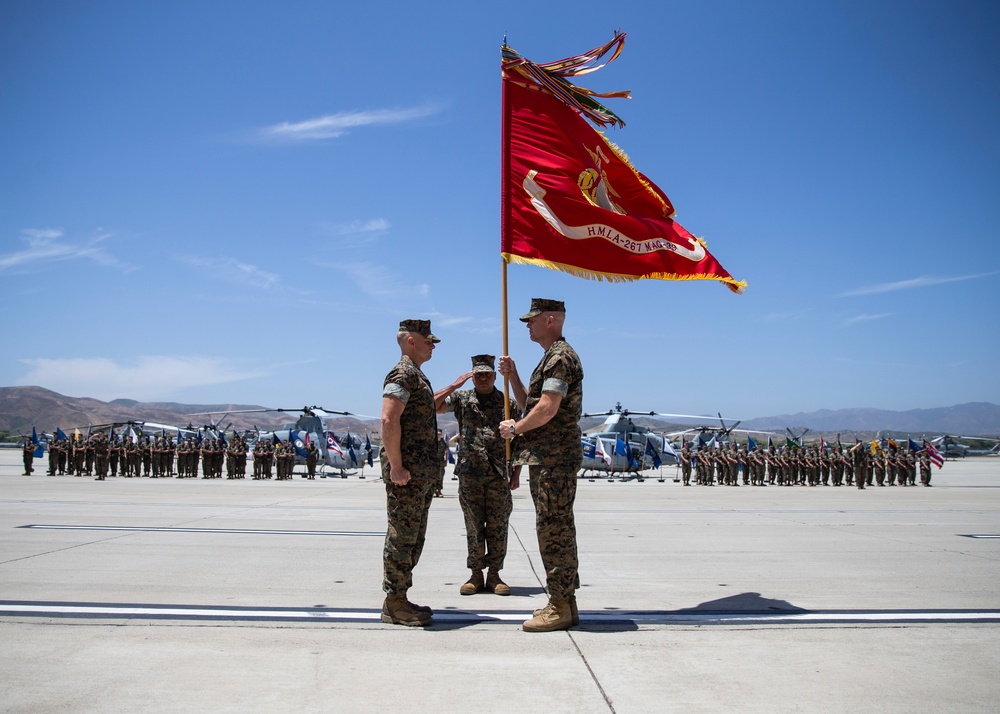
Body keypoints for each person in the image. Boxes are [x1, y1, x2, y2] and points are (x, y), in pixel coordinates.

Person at [499, 298, 584, 633]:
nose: (527, 325)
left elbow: (547, 409)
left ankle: (560, 605)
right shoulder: (548, 359)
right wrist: (514, 375)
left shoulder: (561, 357)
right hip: (548, 458)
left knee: (555, 530)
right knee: (554, 527)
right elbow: (529, 404)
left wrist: (515, 429)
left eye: (531, 320)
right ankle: (565, 602)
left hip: (555, 458)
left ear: (551, 320)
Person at [435, 354, 522, 597]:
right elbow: (432, 405)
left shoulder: (508, 403)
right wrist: (454, 385)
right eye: (478, 374)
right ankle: (475, 574)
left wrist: (516, 473)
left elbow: (519, 440)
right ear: (472, 377)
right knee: (473, 526)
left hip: (497, 475)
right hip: (470, 473)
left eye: (487, 374)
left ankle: (494, 574)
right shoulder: (462, 399)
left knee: (498, 526)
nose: (483, 378)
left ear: (495, 375)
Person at [379, 319, 441, 627]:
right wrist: (397, 466)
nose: (433, 344)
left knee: (413, 537)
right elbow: (389, 421)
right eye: (428, 340)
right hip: (407, 473)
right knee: (402, 536)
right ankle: (394, 602)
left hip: (419, 473)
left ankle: (400, 598)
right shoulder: (403, 373)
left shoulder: (417, 375)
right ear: (411, 341)